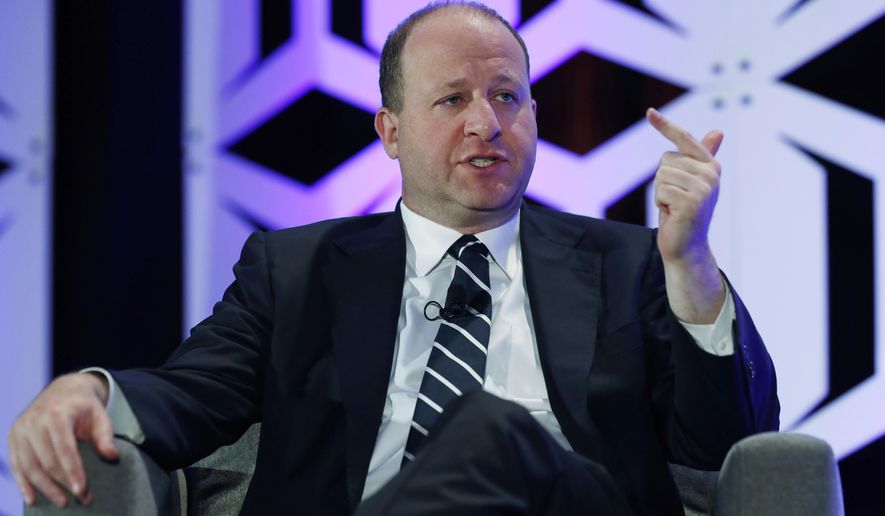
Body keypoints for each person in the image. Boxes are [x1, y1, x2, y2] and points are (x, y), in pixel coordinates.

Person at [8, 2, 778, 514]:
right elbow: (192, 393)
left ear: (536, 118)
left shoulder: (631, 263)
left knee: (494, 434)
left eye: (507, 97)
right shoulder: (296, 269)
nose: (487, 122)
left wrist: (692, 267)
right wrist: (90, 389)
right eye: (452, 100)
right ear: (389, 131)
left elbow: (722, 447)